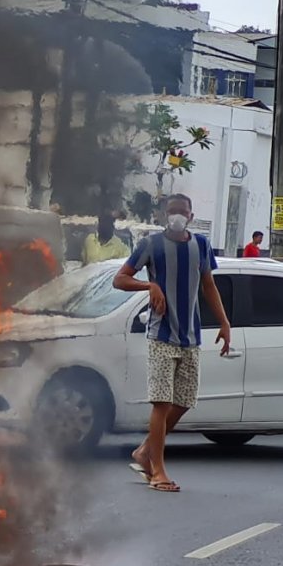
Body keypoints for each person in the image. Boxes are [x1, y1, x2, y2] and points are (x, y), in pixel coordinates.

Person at [114, 193, 232, 492]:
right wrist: (149, 284)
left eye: (182, 211)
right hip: (161, 334)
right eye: (172, 211)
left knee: (183, 401)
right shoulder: (151, 245)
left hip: (191, 336)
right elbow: (120, 278)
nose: (177, 216)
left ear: (191, 215)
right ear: (163, 215)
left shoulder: (201, 245)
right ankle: (158, 470)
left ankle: (144, 452)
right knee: (162, 402)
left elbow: (209, 285)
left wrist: (224, 321)